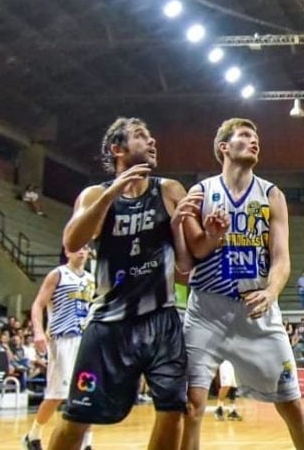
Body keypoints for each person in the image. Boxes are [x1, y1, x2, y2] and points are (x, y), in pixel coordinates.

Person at [47, 117, 192, 450]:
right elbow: (72, 240)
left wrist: (201, 232)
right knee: (77, 417)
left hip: (162, 319)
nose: (152, 141)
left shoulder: (169, 190)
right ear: (118, 149)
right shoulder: (95, 194)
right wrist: (112, 192)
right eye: (142, 136)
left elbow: (186, 265)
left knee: (172, 411)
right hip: (109, 324)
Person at [178, 118, 304, 450]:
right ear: (223, 147)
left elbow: (281, 257)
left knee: (292, 405)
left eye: (256, 137)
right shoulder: (201, 192)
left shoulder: (271, 194)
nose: (254, 141)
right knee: (191, 406)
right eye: (244, 136)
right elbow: (194, 253)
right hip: (206, 311)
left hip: (256, 312)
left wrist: (271, 291)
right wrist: (212, 235)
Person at [24, 246, 95, 450]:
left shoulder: (90, 279)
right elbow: (38, 305)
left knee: (87, 394)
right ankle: (32, 435)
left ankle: (87, 444)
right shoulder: (57, 274)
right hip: (62, 339)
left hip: (85, 340)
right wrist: (38, 331)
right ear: (68, 251)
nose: (82, 251)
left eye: (85, 248)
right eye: (77, 248)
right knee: (57, 395)